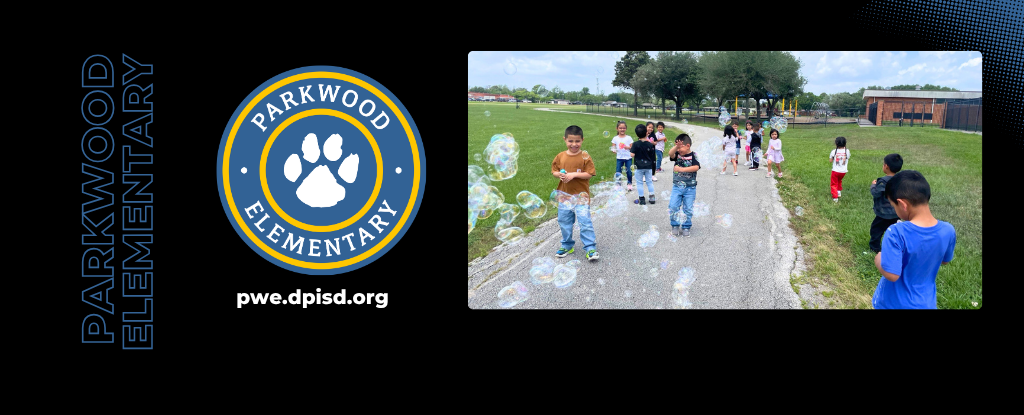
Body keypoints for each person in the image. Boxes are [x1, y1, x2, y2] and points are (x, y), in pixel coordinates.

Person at [872, 170, 956, 309]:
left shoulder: (896, 232)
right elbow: (945, 260)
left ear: (903, 204)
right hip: (926, 303)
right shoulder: (948, 230)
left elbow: (892, 274)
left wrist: (878, 259)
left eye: (894, 206)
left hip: (894, 304)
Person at [552, 125, 600, 261]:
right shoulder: (560, 156)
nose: (574, 144)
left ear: (582, 140)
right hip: (564, 196)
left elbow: (589, 174)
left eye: (577, 141)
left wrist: (573, 175)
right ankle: (567, 245)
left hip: (581, 197)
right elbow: (554, 171)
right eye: (571, 141)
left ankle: (590, 248)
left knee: (585, 222)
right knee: (564, 221)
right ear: (565, 140)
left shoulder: (585, 157)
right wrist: (559, 175)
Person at [868, 153, 903, 253]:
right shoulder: (900, 180)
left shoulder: (883, 181)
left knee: (876, 230)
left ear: (886, 166)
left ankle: (875, 248)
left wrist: (873, 185)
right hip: (896, 212)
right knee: (893, 231)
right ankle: (895, 248)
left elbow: (876, 193)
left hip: (883, 213)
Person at [668, 134, 700, 237]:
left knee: (688, 208)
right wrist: (676, 147)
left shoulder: (694, 155)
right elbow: (670, 153)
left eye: (680, 146)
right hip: (677, 186)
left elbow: (696, 167)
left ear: (687, 146)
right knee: (673, 206)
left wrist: (681, 169)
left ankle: (686, 226)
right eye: (677, 146)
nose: (678, 149)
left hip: (690, 188)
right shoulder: (677, 155)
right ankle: (675, 225)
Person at [630, 124, 657, 205]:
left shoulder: (635, 144)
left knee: (639, 183)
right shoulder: (650, 144)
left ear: (636, 135)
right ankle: (652, 198)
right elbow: (652, 154)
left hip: (638, 167)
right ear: (646, 133)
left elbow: (632, 155)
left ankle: (641, 199)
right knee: (649, 182)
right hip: (648, 166)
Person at [610, 121, 633, 191]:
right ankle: (618, 185)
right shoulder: (615, 138)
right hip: (619, 158)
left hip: (628, 157)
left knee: (629, 171)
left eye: (624, 128)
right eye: (620, 128)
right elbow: (613, 147)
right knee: (618, 172)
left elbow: (632, 147)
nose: (622, 129)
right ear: (617, 128)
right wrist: (613, 150)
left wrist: (627, 147)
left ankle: (629, 184)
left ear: (626, 129)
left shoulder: (628, 138)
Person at [829, 136, 851, 202]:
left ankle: (835, 198)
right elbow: (848, 157)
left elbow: (830, 161)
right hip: (843, 171)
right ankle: (838, 192)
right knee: (839, 181)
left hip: (835, 171)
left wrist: (833, 158)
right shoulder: (847, 151)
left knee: (833, 183)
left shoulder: (834, 151)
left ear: (836, 144)